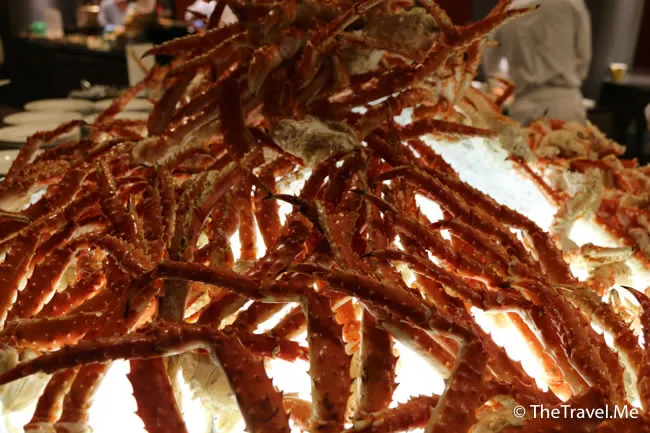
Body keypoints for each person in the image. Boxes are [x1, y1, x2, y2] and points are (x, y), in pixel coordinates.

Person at [483, 0, 592, 125]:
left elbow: (491, 62)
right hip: (565, 102)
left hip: (523, 105)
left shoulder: (508, 8)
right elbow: (583, 57)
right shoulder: (572, 3)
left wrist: (504, 87)